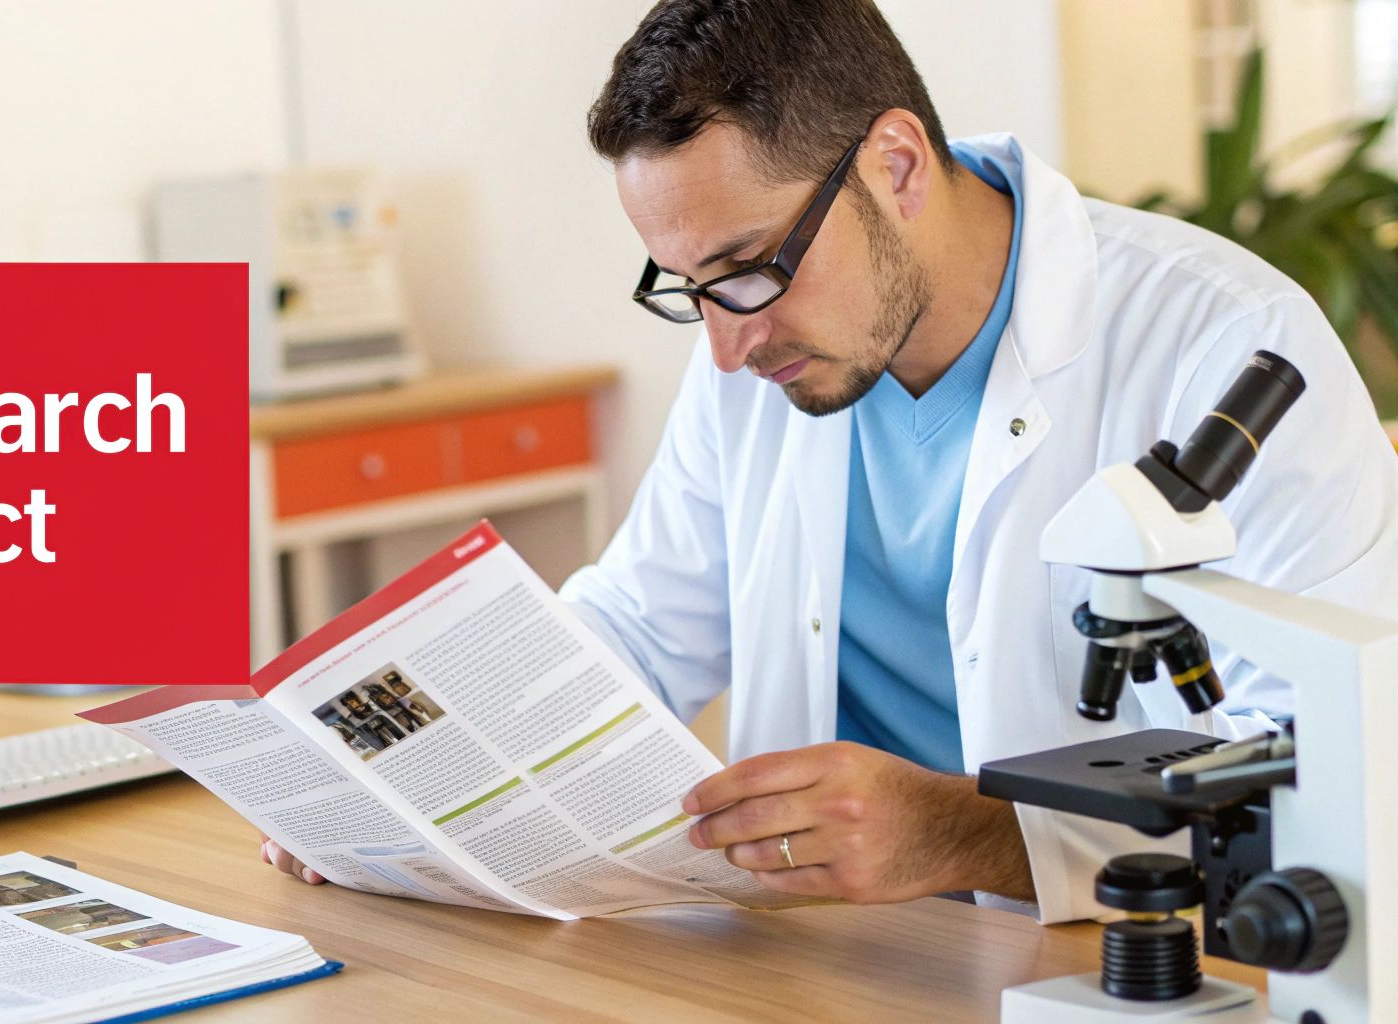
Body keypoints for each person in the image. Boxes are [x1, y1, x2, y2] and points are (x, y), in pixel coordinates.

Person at [262, 0, 1398, 920]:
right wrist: (394, 780)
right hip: (824, 956)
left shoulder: (1229, 349)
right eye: (689, 288)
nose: (725, 346)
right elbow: (639, 630)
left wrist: (968, 833)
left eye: (750, 267)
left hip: (1114, 958)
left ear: (896, 166)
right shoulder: (757, 347)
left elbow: (1336, 780)